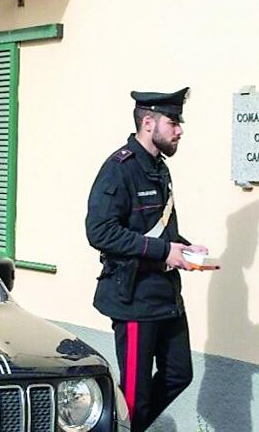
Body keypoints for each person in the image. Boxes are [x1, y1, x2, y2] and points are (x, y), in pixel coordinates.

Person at [86, 88, 208, 432]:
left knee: (179, 374)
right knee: (136, 396)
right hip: (135, 298)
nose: (179, 130)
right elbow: (100, 232)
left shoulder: (159, 169)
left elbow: (156, 230)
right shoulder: (119, 169)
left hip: (165, 295)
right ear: (149, 122)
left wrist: (182, 249)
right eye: (173, 122)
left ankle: (122, 427)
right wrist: (163, 252)